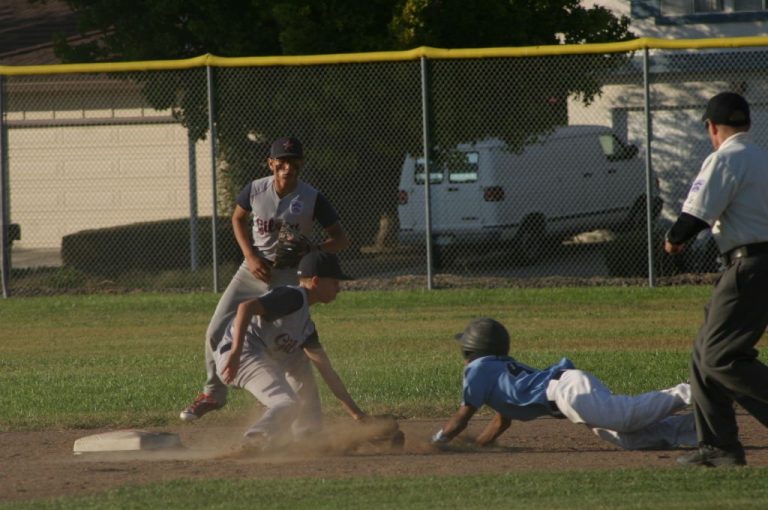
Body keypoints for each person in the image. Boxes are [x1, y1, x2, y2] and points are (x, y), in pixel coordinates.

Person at [180, 136, 350, 421]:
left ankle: (274, 400)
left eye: (293, 161)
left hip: (287, 273)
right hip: (253, 269)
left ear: (301, 164)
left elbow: (341, 239)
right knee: (214, 330)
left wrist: (314, 249)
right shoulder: (256, 189)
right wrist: (250, 256)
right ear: (271, 163)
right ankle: (213, 393)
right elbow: (237, 219)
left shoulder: (312, 198)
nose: (287, 167)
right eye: (281, 161)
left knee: (281, 343)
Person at [664, 91, 768, 467]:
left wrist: (674, 241)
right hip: (756, 266)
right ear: (748, 125)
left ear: (712, 127)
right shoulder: (761, 157)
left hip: (749, 267)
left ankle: (721, 446)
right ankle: (719, 447)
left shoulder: (724, 158)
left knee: (721, 357)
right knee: (704, 355)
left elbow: (696, 216)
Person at [430, 318, 696, 451]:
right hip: (567, 393)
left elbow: (461, 418)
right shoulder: (496, 370)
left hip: (566, 392)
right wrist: (478, 446)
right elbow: (503, 420)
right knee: (626, 438)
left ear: (469, 349)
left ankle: (692, 389)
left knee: (625, 418)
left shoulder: (477, 370)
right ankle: (701, 429)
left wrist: (438, 442)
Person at [214, 250, 365, 446]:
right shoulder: (292, 296)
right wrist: (235, 353)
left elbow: (328, 373)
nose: (339, 288)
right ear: (317, 281)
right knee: (288, 404)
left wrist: (358, 415)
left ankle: (308, 434)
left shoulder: (306, 327)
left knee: (301, 361)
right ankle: (255, 439)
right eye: (335, 282)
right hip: (241, 355)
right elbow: (246, 307)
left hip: (257, 356)